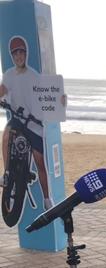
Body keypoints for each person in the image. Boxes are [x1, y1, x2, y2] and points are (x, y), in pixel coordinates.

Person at [1, 36, 52, 210]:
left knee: (39, 162)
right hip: (17, 119)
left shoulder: (34, 76)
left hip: (34, 123)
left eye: (21, 52)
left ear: (26, 54)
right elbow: (2, 91)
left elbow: (46, 98)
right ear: (12, 56)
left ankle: (46, 198)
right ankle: (7, 172)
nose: (19, 56)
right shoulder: (8, 75)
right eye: (15, 54)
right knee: (7, 135)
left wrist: (57, 103)